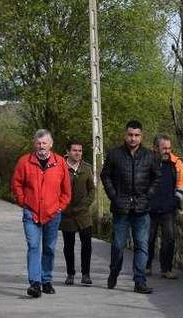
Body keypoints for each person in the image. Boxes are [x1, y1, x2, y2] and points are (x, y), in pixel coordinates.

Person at [100, 120, 161, 294]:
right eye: (130, 135)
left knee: (142, 245)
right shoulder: (114, 155)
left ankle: (139, 281)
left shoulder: (150, 156)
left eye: (136, 135)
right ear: (125, 135)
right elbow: (105, 176)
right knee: (118, 245)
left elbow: (157, 177)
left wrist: (148, 195)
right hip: (121, 208)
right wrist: (114, 196)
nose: (133, 138)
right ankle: (114, 271)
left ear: (141, 136)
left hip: (142, 209)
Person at [12, 129, 72, 298]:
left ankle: (46, 280)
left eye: (44, 143)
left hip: (53, 213)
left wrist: (61, 206)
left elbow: (66, 190)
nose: (41, 146)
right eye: (38, 143)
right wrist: (23, 201)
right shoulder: (24, 162)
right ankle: (35, 283)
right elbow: (16, 184)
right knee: (33, 246)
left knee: (49, 248)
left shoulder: (60, 163)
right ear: (34, 144)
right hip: (31, 213)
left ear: (50, 144)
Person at [146, 134, 183, 279]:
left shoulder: (176, 163)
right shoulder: (146, 162)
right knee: (148, 239)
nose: (167, 151)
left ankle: (166, 269)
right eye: (164, 148)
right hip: (149, 209)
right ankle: (146, 266)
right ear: (155, 148)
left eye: (169, 148)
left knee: (169, 239)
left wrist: (176, 199)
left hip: (168, 209)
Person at [60, 140, 96, 286]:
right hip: (67, 213)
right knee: (69, 245)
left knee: (86, 244)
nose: (78, 153)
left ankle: (86, 274)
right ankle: (70, 274)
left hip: (83, 213)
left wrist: (86, 204)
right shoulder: (60, 167)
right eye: (74, 150)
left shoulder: (87, 168)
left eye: (80, 151)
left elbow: (92, 189)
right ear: (68, 152)